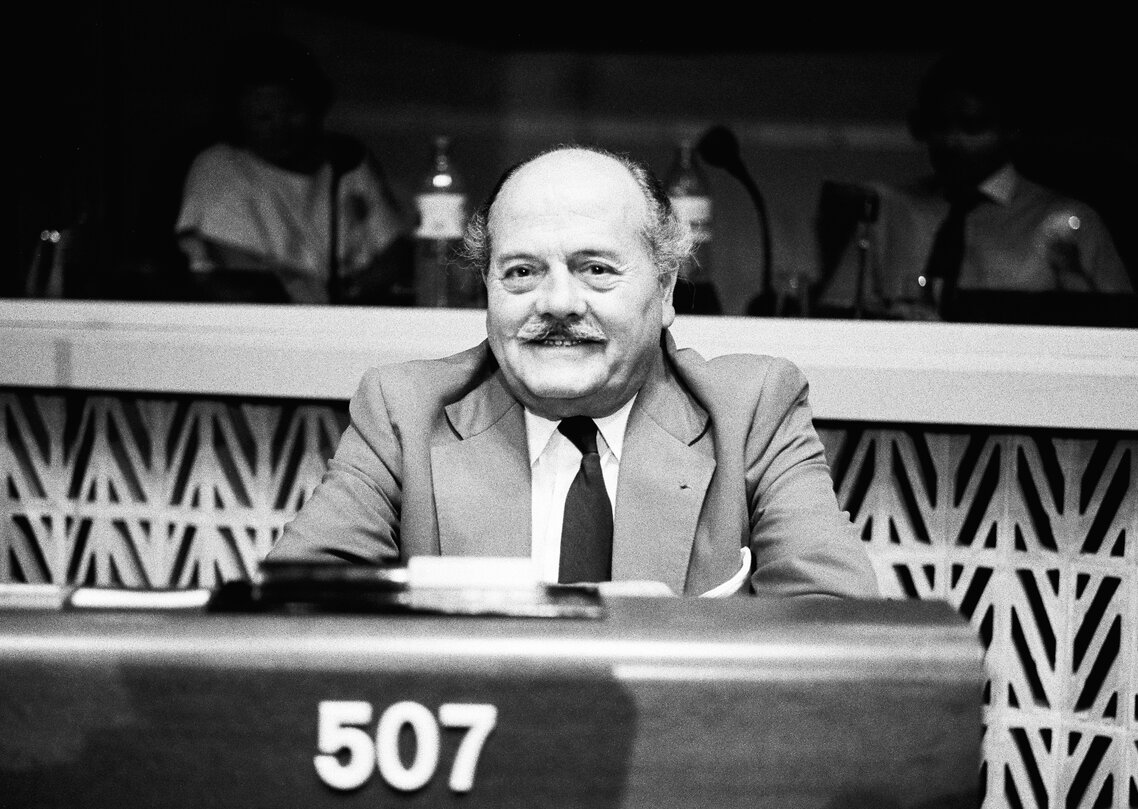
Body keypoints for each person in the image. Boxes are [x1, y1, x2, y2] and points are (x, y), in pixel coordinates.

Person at [267, 144, 878, 598]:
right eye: (522, 273)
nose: (557, 303)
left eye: (595, 269)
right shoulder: (402, 412)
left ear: (665, 289)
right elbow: (298, 613)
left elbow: (834, 628)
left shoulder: (752, 411)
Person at [814, 51, 1133, 322]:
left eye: (972, 126)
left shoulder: (1071, 221)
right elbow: (839, 315)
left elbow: (1116, 334)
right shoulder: (889, 210)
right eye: (939, 125)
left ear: (1010, 129)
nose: (951, 141)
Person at [174, 33, 413, 305]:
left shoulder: (343, 160)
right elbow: (235, 264)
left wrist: (351, 293)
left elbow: (395, 249)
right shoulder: (219, 166)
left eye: (291, 112)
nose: (280, 128)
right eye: (263, 118)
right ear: (238, 118)